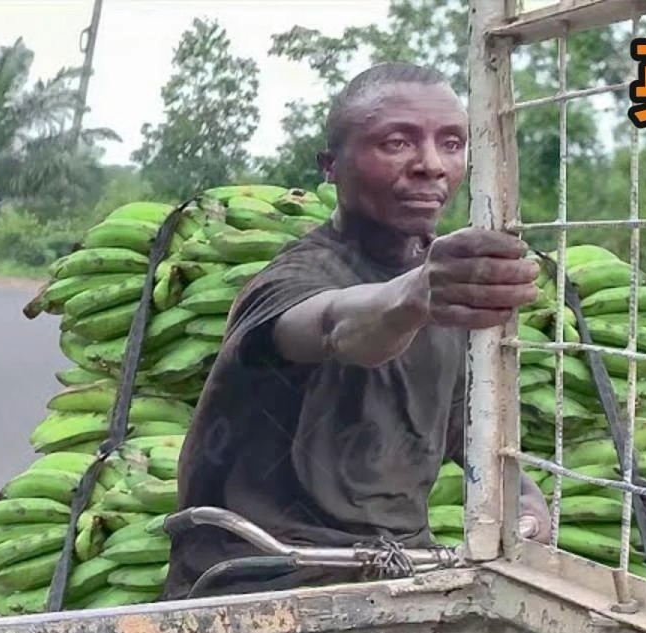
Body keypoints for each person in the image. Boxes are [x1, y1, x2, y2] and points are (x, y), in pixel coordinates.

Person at [162, 62, 552, 602]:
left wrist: (522, 496)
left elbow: (460, 426)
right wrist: (414, 296)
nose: (431, 166)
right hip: (261, 581)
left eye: (452, 143)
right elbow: (334, 326)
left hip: (393, 573)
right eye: (396, 143)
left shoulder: (448, 295)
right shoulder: (290, 281)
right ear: (331, 166)